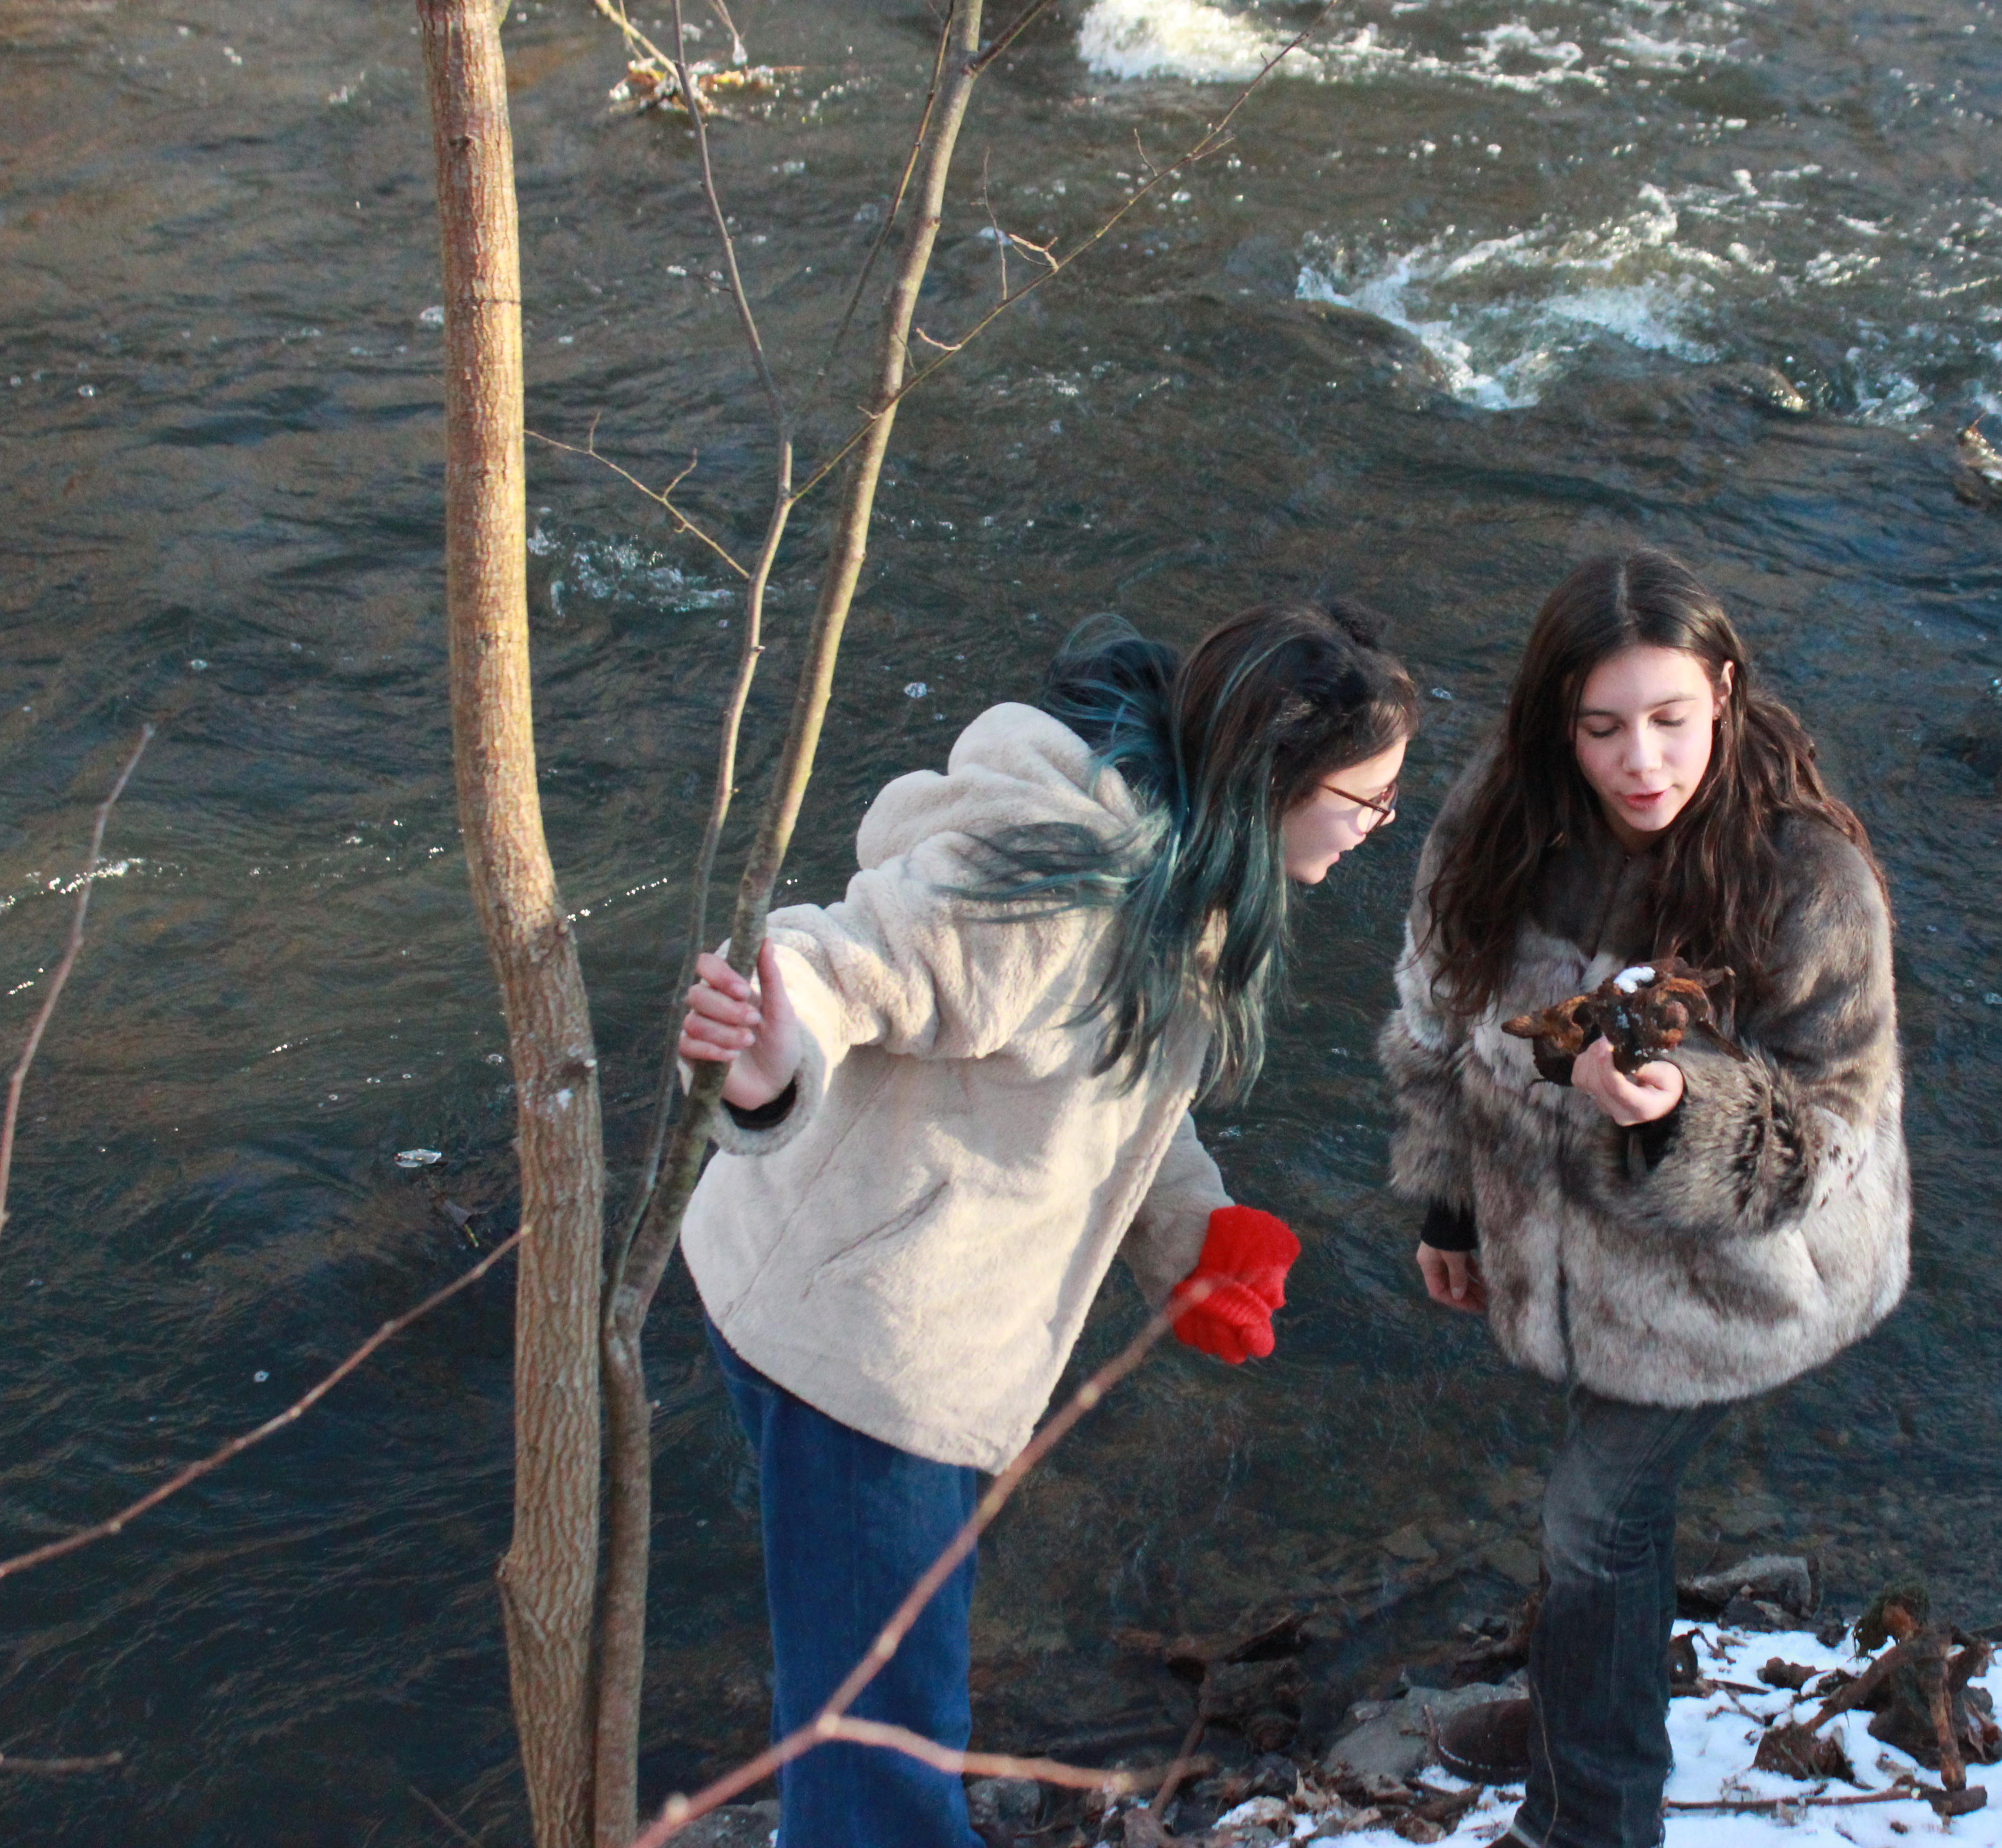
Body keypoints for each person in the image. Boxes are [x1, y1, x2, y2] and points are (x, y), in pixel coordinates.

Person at [676, 603, 1416, 1848]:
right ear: (1278, 776)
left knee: (867, 1700)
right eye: (1368, 802)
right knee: (882, 1745)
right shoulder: (1065, 886)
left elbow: (1109, 1077)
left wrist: (1194, 1234)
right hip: (866, 1355)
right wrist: (771, 1038)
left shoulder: (1179, 865)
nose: (1374, 832)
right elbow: (861, 958)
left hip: (837, 1297)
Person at [1378, 549, 1908, 1848]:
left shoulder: (1807, 877)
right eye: (1605, 728)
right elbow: (1436, 1014)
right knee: (1603, 1532)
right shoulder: (1499, 824)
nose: (1643, 762)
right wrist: (1447, 1201)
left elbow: (1836, 1130)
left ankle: (1591, 1823)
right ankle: (1577, 1723)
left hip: (1742, 1281)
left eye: (1672, 720)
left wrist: (1688, 1113)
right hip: (1569, 1266)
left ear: (1723, 692)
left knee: (1594, 1521)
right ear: (1560, 721)